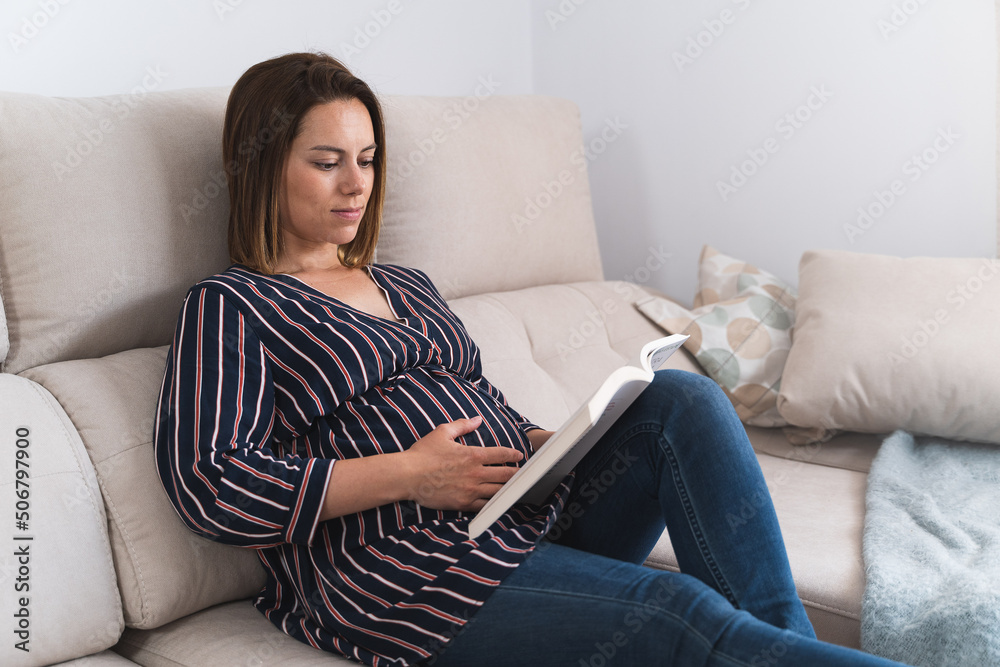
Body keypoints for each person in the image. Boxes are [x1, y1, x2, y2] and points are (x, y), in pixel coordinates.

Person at [154, 51, 909, 667]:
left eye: (368, 158)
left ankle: (786, 645)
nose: (357, 183)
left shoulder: (405, 283)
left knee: (682, 402)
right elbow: (211, 484)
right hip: (408, 573)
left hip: (517, 512)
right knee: (677, 610)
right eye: (327, 162)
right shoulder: (232, 306)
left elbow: (480, 399)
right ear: (260, 166)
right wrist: (412, 473)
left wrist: (551, 441)